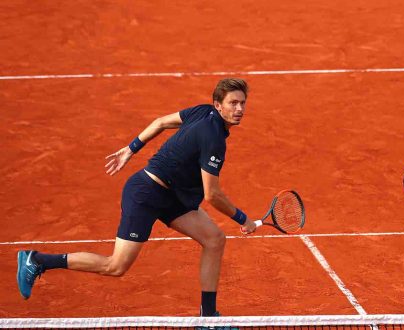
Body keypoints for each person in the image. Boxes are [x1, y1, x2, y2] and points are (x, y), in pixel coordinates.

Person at [16, 78, 258, 318]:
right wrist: (241, 218)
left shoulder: (203, 112)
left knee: (214, 240)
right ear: (218, 105)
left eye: (242, 103)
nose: (239, 110)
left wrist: (130, 149)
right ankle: (38, 260)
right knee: (116, 266)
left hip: (174, 196)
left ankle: (208, 319)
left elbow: (161, 122)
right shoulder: (213, 138)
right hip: (146, 193)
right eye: (233, 103)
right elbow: (212, 194)